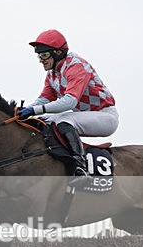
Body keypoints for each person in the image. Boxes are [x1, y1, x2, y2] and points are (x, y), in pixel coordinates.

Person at [17, 29, 118, 185]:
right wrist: (26, 111)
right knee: (43, 120)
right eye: (39, 56)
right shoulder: (52, 74)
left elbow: (69, 102)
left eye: (44, 55)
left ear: (57, 52)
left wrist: (34, 110)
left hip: (105, 116)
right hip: (85, 115)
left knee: (64, 120)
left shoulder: (76, 66)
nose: (41, 60)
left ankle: (80, 167)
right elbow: (44, 99)